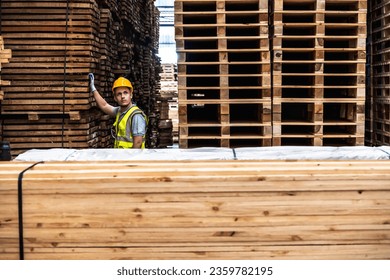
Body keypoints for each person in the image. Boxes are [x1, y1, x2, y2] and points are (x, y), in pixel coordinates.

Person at [88, 73, 147, 149]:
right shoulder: (120, 112)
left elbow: (138, 142)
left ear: (131, 95)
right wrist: (93, 89)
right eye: (119, 94)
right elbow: (104, 106)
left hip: (131, 158)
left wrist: (130, 161)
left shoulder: (136, 115)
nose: (122, 96)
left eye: (125, 93)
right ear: (115, 98)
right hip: (121, 157)